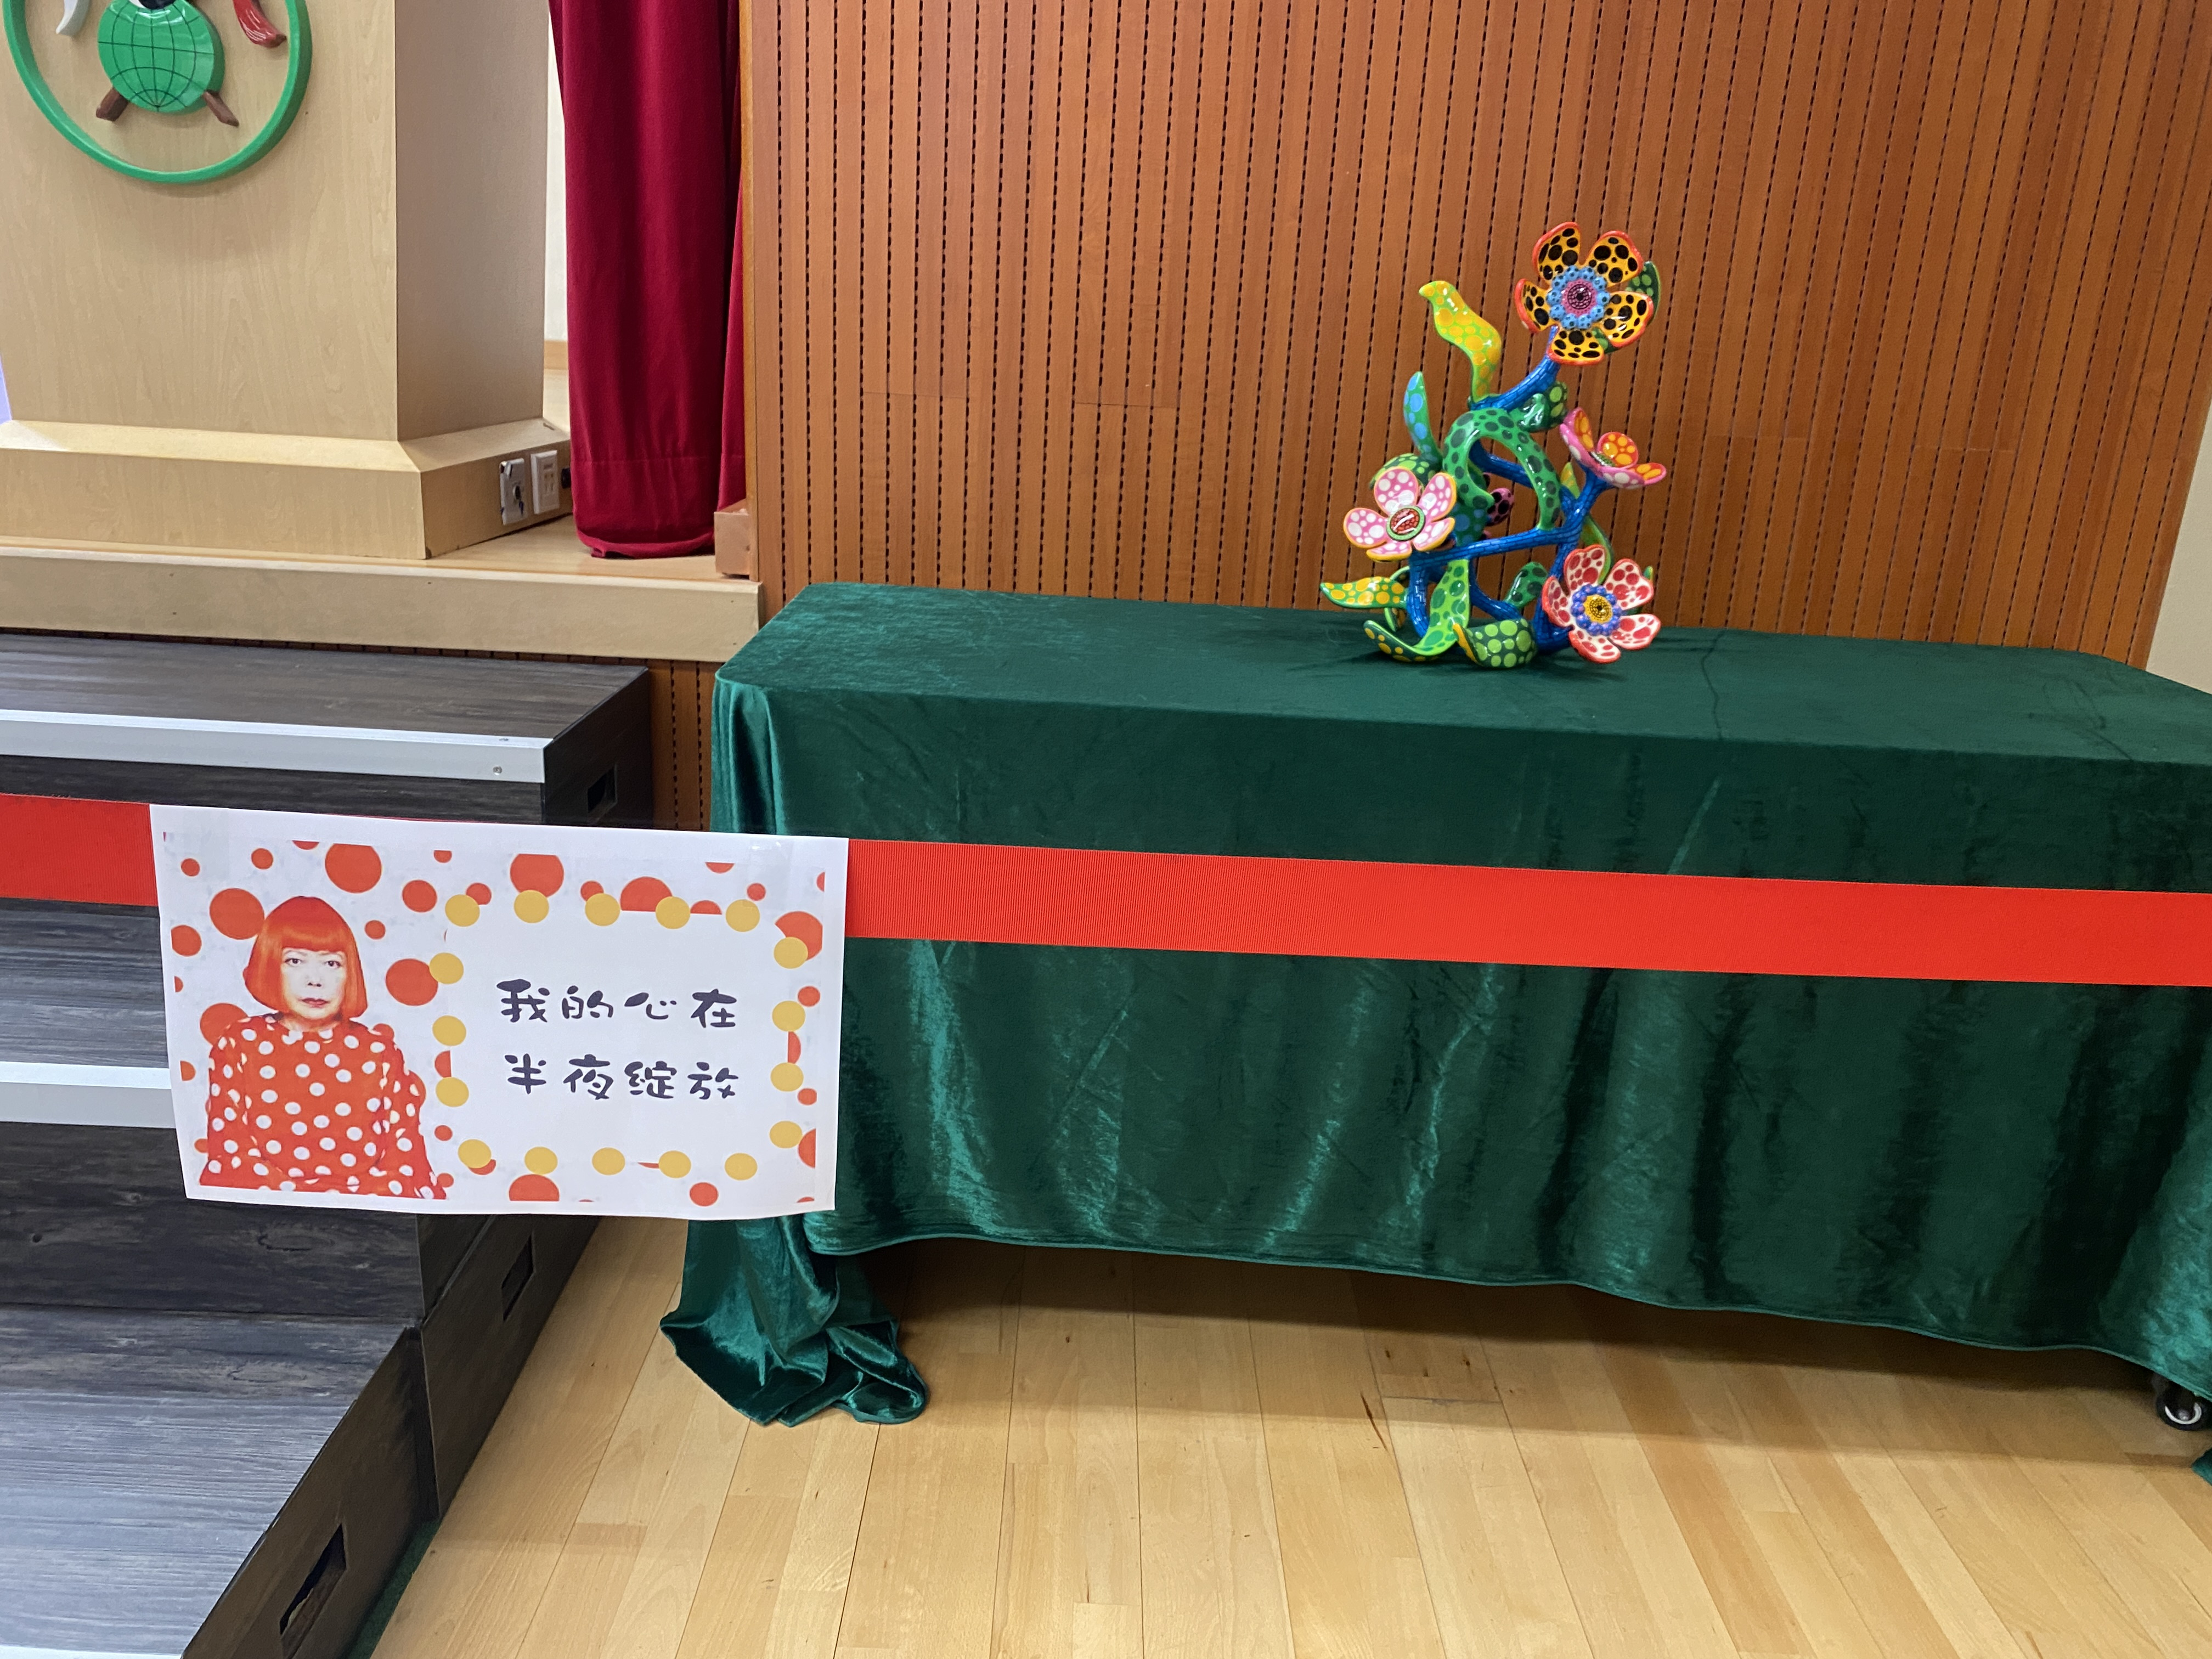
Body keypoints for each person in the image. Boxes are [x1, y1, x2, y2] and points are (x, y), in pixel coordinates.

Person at [199, 895, 442, 1199]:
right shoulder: (239, 1043)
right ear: (270, 965)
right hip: (268, 1208)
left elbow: (405, 1161)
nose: (315, 980)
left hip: (367, 1209)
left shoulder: (380, 1052)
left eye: (331, 963)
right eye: (295, 961)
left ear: (350, 972)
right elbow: (232, 1156)